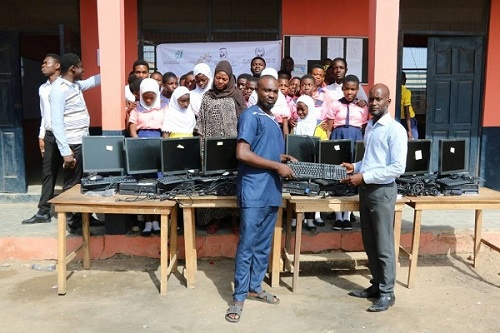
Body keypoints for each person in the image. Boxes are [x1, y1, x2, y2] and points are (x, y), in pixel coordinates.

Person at [225, 74, 295, 323]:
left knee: (264, 244)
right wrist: (276, 166)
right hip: (254, 190)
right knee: (248, 244)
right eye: (267, 91)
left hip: (271, 191)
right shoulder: (250, 115)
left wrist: (282, 158)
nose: (272, 95)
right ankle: (239, 296)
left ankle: (255, 288)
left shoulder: (272, 119)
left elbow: (263, 150)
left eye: (275, 92)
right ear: (257, 92)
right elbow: (242, 153)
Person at [341, 83, 407, 312]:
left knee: (384, 244)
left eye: (379, 99)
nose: (374, 102)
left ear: (388, 102)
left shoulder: (395, 129)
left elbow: (397, 167)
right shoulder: (370, 125)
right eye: (371, 99)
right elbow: (372, 160)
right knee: (369, 241)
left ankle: (388, 293)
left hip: (382, 192)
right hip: (366, 190)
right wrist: (355, 166)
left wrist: (364, 176)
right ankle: (376, 285)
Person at [43, 53, 100, 232]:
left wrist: (111, 69)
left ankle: (86, 218)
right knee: (72, 185)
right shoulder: (58, 89)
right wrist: (66, 151)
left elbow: (92, 81)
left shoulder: (74, 85)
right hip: (72, 144)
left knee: (85, 182)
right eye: (81, 66)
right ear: (73, 69)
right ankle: (74, 224)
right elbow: (57, 123)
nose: (83, 70)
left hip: (83, 141)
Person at [196, 60, 246, 233]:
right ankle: (214, 219)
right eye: (218, 78)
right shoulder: (207, 96)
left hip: (232, 146)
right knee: (213, 183)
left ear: (230, 78)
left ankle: (234, 220)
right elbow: (201, 121)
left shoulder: (237, 95)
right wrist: (203, 145)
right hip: (211, 147)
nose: (220, 82)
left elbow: (244, 121)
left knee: (232, 182)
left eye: (224, 79)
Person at [325, 75, 368, 230]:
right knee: (339, 173)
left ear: (357, 90)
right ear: (342, 89)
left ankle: (347, 216)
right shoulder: (335, 105)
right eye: (346, 89)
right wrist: (330, 146)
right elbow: (329, 128)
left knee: (352, 174)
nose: (349, 92)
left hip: (355, 139)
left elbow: (363, 128)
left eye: (353, 89)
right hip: (339, 139)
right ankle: (338, 216)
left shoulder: (362, 107)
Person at [22, 54, 61, 224]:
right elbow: (44, 113)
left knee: (72, 174)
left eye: (47, 63)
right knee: (48, 172)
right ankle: (43, 211)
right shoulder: (43, 88)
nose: (43, 65)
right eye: (43, 62)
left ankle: (76, 217)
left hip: (67, 135)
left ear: (57, 65)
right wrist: (41, 135)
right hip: (50, 134)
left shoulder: (67, 86)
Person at [128, 78, 166, 236]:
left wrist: (163, 144)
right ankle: (147, 221)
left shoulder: (164, 108)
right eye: (146, 97)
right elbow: (132, 128)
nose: (149, 100)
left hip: (158, 145)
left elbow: (166, 129)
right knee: (144, 185)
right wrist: (138, 145)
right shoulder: (136, 109)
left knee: (158, 185)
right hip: (142, 146)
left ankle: (157, 220)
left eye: (152, 96)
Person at [290, 95, 325, 230]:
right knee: (296, 190)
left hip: (314, 163)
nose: (300, 113)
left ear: (310, 109)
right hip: (298, 163)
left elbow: (324, 142)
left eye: (303, 110)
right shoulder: (296, 124)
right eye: (298, 110)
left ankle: (310, 219)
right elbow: (292, 142)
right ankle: (295, 219)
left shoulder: (319, 126)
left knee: (312, 191)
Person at [401, 71, 419, 139]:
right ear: (403, 80)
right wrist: (409, 130)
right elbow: (407, 110)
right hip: (409, 120)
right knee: (413, 141)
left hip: (398, 120)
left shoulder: (393, 90)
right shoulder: (406, 92)